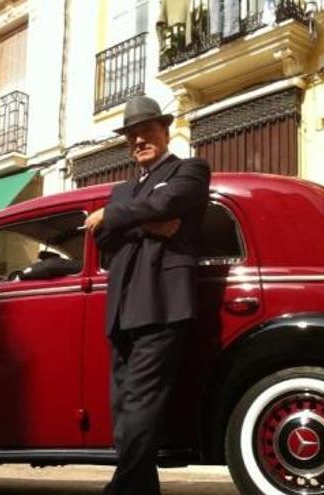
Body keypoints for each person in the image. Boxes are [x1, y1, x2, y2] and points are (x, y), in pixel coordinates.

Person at [84, 96, 211, 495]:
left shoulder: (189, 169)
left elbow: (169, 202)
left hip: (162, 303)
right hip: (121, 309)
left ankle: (121, 488)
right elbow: (102, 237)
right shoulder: (123, 189)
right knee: (124, 407)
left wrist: (115, 216)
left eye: (147, 130)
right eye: (132, 135)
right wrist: (147, 224)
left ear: (165, 130)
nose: (139, 139)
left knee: (141, 404)